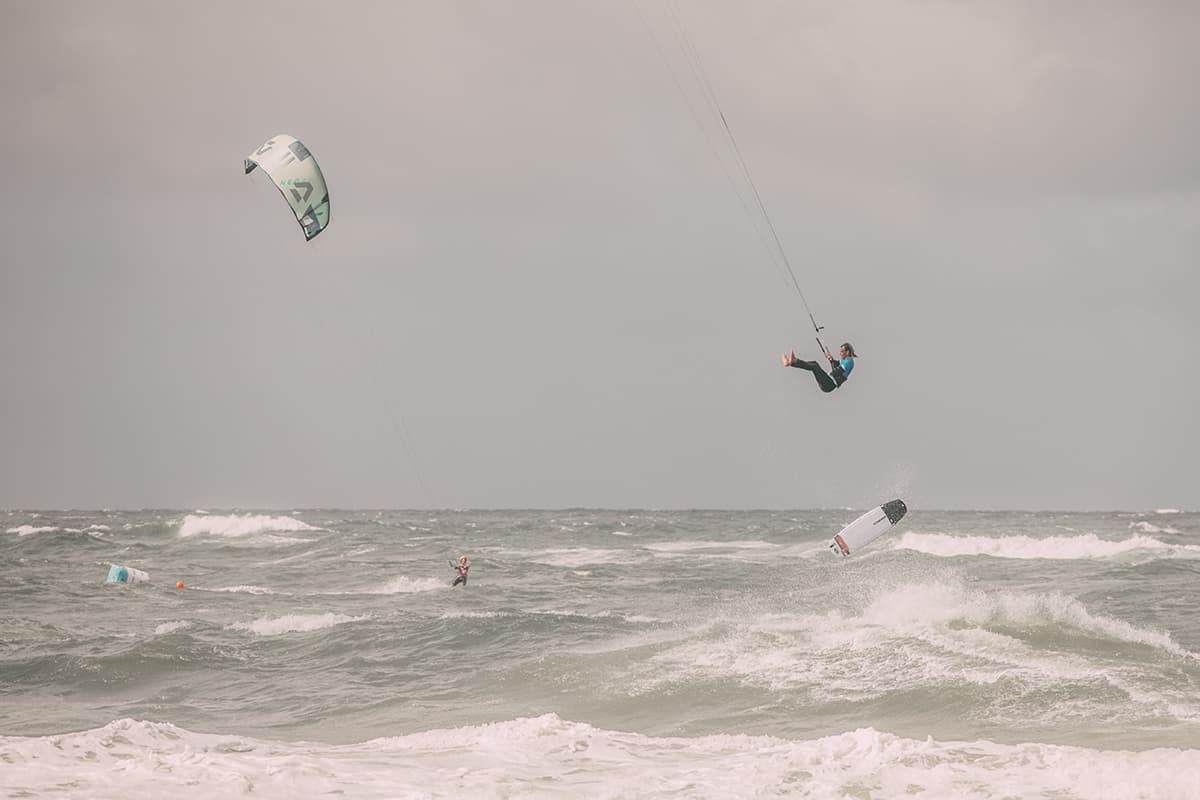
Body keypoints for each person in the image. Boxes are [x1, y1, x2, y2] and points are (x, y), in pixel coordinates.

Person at [782, 342, 856, 393]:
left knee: (815, 366)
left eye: (842, 351)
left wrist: (831, 362)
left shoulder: (849, 362)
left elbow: (837, 372)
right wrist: (831, 359)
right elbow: (836, 365)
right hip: (828, 381)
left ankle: (794, 361)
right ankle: (791, 362)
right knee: (814, 363)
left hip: (829, 384)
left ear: (847, 352)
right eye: (840, 351)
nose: (840, 353)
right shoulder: (844, 360)